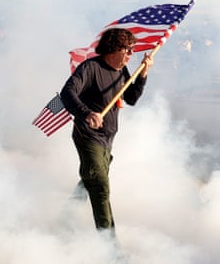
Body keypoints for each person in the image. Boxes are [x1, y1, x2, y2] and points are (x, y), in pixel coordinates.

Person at [60, 28, 154, 236]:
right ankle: (110, 249)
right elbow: (67, 93)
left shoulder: (121, 71)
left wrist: (143, 74)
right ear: (113, 49)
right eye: (127, 49)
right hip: (88, 136)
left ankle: (67, 214)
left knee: (91, 179)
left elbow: (131, 98)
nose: (131, 54)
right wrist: (86, 113)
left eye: (133, 50)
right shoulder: (91, 67)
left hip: (108, 139)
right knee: (101, 188)